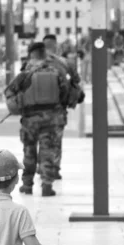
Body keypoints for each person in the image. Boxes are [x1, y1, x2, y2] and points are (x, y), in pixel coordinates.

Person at [7, 42, 69, 196]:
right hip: (51, 119)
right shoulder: (56, 71)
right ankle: (47, 185)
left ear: (31, 54)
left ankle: (27, 185)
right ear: (44, 54)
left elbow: (10, 91)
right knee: (47, 151)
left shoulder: (25, 72)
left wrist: (19, 103)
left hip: (30, 120)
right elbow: (65, 93)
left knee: (29, 152)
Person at [43, 34, 82, 181]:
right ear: (55, 45)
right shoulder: (64, 63)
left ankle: (42, 167)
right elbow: (76, 81)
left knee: (42, 140)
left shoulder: (32, 64)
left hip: (35, 112)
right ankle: (54, 168)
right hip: (58, 110)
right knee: (56, 141)